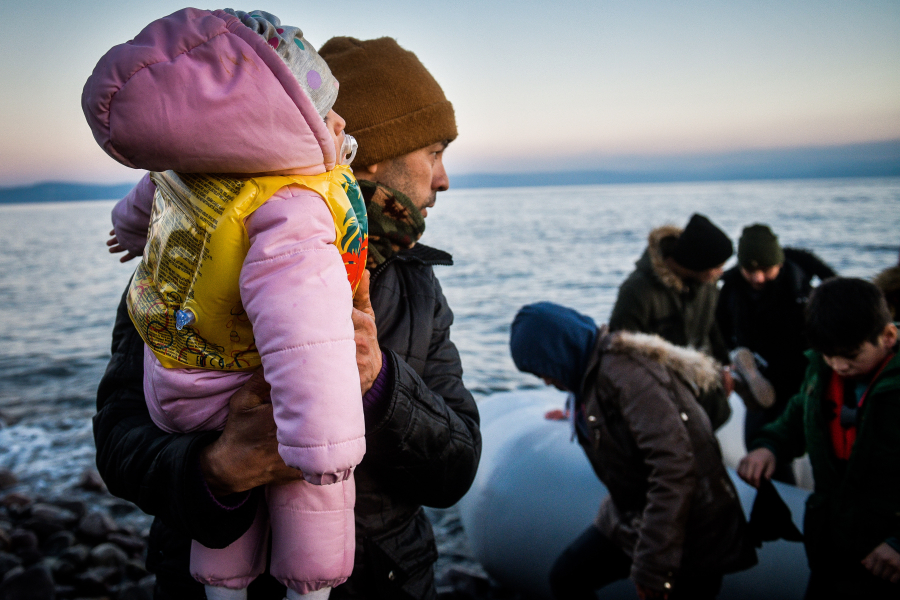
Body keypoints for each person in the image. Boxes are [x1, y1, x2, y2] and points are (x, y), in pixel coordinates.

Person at [94, 31, 481, 600]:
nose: (443, 179)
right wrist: (217, 469)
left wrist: (382, 385)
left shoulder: (415, 286)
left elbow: (457, 467)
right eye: (433, 153)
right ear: (374, 153)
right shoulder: (184, 265)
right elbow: (117, 440)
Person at [85, 9, 367, 599]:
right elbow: (306, 331)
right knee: (310, 484)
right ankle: (312, 589)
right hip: (236, 383)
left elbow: (150, 197)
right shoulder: (293, 205)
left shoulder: (193, 170)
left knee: (233, 481)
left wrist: (128, 230)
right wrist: (326, 444)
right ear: (290, 118)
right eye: (326, 111)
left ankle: (222, 586)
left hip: (177, 384)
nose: (340, 123)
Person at [510, 302, 756, 600]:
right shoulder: (590, 375)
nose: (547, 381)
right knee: (567, 578)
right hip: (634, 517)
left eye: (545, 371)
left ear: (560, 353)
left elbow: (674, 466)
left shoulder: (626, 374)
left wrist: (654, 565)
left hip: (691, 529)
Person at [738, 278, 900, 598]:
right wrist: (769, 446)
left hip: (889, 558)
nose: (839, 365)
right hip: (831, 550)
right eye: (829, 356)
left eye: (851, 355)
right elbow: (800, 414)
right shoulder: (821, 371)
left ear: (888, 336)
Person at [716, 224, 836, 482]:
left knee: (808, 441)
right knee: (757, 442)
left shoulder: (800, 278)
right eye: (750, 270)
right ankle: (775, 503)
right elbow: (718, 330)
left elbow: (838, 297)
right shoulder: (731, 287)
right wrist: (727, 361)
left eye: (765, 270)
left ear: (779, 264)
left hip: (801, 374)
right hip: (759, 376)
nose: (757, 278)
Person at [609, 213, 734, 429]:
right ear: (697, 263)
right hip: (661, 402)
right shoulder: (637, 291)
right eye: (717, 266)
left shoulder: (707, 284)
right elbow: (618, 349)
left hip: (704, 395)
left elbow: (712, 326)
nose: (721, 272)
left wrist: (724, 366)